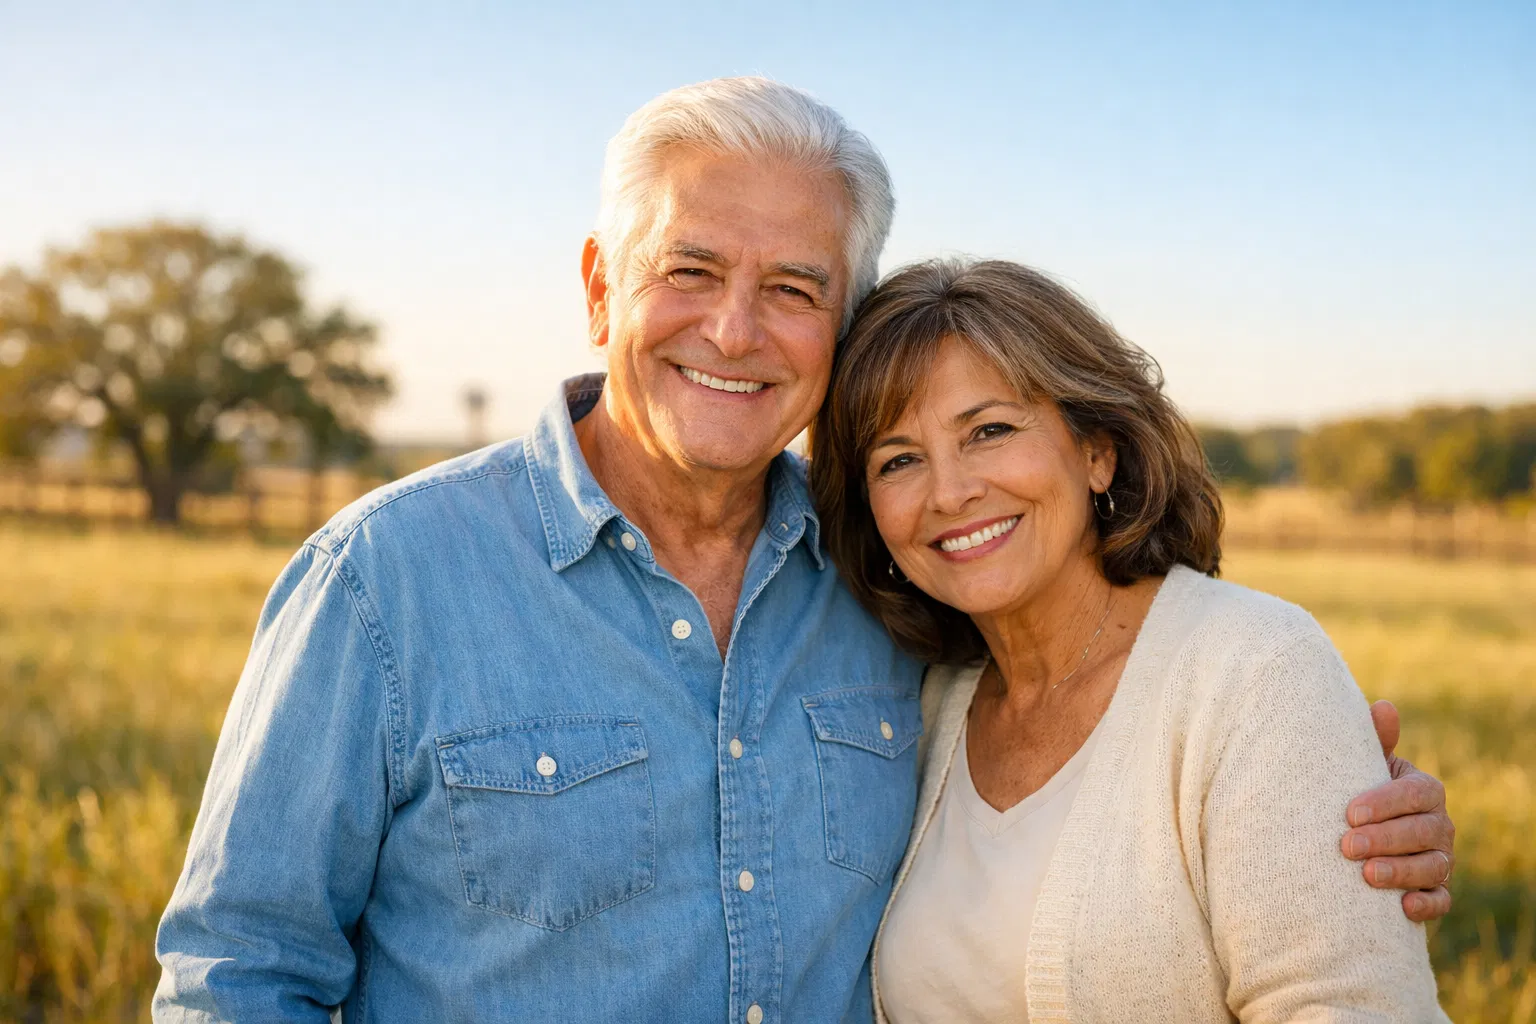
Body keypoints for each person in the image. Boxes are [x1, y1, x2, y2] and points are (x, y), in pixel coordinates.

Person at [154, 79, 1453, 1023]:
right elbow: (238, 974)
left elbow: (1112, 753)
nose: (734, 330)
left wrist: (1316, 805)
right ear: (602, 286)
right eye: (692, 270)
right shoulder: (385, 581)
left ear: (839, 326)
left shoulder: (887, 589)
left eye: (793, 288)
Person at [810, 258, 1451, 1022]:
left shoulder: (1257, 671)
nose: (949, 492)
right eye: (899, 460)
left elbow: (1349, 1005)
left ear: (1097, 451)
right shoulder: (923, 702)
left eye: (989, 430)